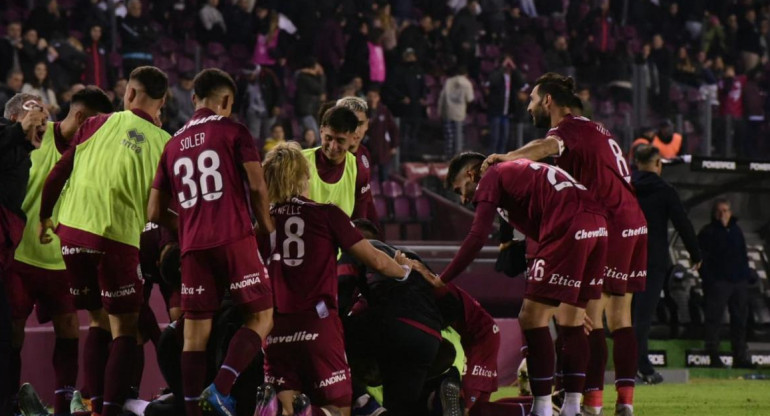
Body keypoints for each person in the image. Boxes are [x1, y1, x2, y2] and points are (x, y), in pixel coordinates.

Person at [484, 73, 647, 416]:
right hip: (633, 220)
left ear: (547, 101)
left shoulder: (568, 128)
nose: (529, 108)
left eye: (532, 101)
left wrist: (508, 156)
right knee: (620, 316)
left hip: (610, 222)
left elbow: (544, 148)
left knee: (586, 320)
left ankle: (589, 404)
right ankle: (625, 403)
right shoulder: (597, 128)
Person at [39, 66, 170, 416]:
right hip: (116, 239)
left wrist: (43, 216)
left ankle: (90, 404)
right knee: (125, 328)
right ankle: (110, 409)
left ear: (129, 93)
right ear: (163, 101)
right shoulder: (164, 142)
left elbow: (58, 174)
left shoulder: (94, 125)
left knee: (98, 320)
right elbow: (164, 206)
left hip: (72, 235)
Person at [147, 68, 275, 416]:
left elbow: (154, 209)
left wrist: (187, 224)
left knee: (194, 335)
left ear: (193, 100)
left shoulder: (171, 144)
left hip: (193, 249)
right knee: (262, 316)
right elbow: (257, 184)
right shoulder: (234, 130)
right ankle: (220, 389)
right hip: (233, 237)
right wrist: (264, 224)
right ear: (226, 101)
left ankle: (192, 410)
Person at [257, 142, 418, 416]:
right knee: (339, 409)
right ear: (301, 177)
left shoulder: (260, 226)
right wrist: (405, 271)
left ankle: (280, 409)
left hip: (274, 330)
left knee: (286, 407)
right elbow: (376, 259)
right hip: (317, 325)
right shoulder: (326, 213)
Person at [441, 153, 607, 416]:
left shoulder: (492, 176)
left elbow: (477, 236)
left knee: (531, 318)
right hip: (597, 225)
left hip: (568, 224)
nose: (464, 199)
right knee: (573, 320)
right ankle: (574, 408)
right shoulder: (520, 175)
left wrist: (442, 279)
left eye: (460, 189)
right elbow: (537, 230)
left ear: (472, 174)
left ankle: (540, 409)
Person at [5, 87, 112, 416]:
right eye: (97, 122)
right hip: (19, 256)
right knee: (12, 333)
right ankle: (10, 402)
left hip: (60, 261)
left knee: (68, 329)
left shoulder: (89, 153)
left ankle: (63, 406)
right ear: (81, 117)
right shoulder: (37, 138)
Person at [631, 145, 701, 384]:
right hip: (652, 260)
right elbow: (682, 223)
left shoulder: (624, 185)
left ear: (635, 162)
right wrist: (696, 254)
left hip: (623, 258)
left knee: (621, 315)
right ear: (658, 164)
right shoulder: (665, 190)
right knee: (642, 316)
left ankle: (628, 364)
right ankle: (641, 367)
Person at [0, 93, 48, 414]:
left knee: (4, 335)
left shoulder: (23, 152)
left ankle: (8, 403)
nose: (43, 120)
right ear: (17, 116)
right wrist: (18, 130)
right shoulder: (7, 132)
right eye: (36, 114)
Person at [698, 199, 754, 369]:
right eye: (720, 210)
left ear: (730, 212)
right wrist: (710, 279)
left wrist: (746, 276)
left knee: (739, 320)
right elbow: (700, 258)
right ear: (714, 213)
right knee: (714, 320)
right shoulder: (708, 232)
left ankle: (740, 357)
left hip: (739, 283)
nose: (723, 214)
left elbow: (743, 254)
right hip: (719, 283)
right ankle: (713, 356)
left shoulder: (737, 231)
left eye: (726, 210)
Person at [302, 106, 375, 221]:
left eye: (340, 140)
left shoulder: (358, 170)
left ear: (353, 138)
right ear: (321, 132)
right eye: (328, 138)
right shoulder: (298, 162)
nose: (333, 146)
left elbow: (359, 222)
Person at [438, 66, 474, 158]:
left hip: (448, 113)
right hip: (459, 114)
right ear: (466, 74)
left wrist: (440, 112)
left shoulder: (448, 81)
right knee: (458, 137)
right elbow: (470, 99)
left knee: (449, 137)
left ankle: (448, 156)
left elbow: (442, 98)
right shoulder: (467, 83)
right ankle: (457, 158)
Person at [365, 86, 399, 182]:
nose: (372, 99)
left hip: (382, 150)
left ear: (378, 97)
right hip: (368, 150)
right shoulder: (363, 112)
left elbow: (394, 129)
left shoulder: (384, 111)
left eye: (374, 96)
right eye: (370, 96)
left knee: (384, 178)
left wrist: (394, 146)